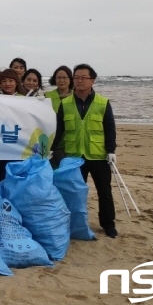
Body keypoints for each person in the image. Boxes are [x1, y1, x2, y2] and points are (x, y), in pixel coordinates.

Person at [52, 64, 118, 238]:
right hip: (74, 156)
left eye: (83, 77)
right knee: (74, 193)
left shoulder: (103, 103)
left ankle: (108, 224)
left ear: (92, 80)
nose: (79, 81)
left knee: (104, 191)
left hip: (98, 154)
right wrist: (52, 149)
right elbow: (59, 129)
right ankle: (73, 224)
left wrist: (111, 150)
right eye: (76, 78)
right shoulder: (65, 103)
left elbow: (110, 128)